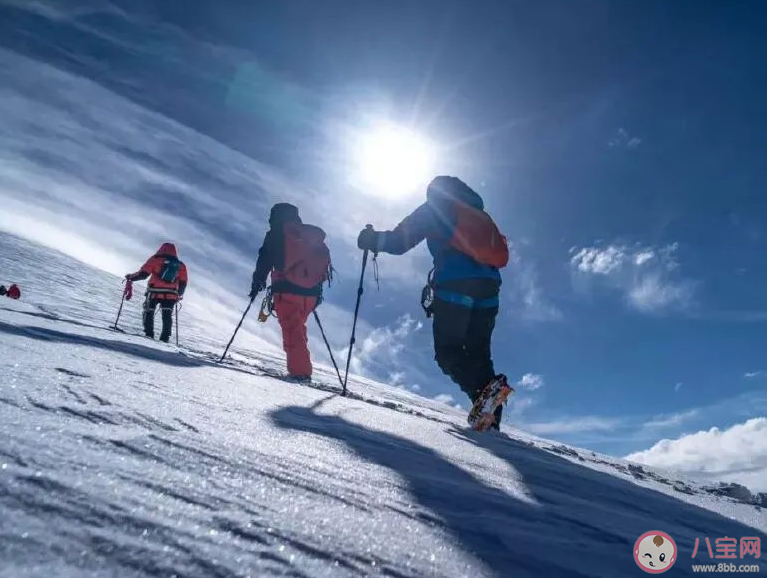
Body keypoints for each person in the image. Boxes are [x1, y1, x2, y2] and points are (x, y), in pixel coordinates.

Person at [357, 176, 511, 430]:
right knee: (479, 355)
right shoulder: (480, 215)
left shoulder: (436, 207)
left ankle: (485, 399)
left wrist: (371, 239)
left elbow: (399, 241)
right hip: (489, 291)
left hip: (455, 286)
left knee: (447, 352)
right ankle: (490, 420)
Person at [250, 203, 331, 382]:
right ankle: (298, 368)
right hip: (311, 294)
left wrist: (258, 282)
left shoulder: (277, 233)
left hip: (286, 289)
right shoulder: (308, 235)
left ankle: (300, 373)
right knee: (296, 328)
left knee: (292, 328)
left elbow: (265, 258)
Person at [126, 243, 188, 343]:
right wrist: (179, 294)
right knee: (167, 315)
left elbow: (143, 274)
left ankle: (149, 334)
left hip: (154, 291)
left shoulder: (155, 259)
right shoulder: (180, 265)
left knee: (149, 311)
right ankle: (165, 338)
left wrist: (131, 277)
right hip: (171, 294)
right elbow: (183, 282)